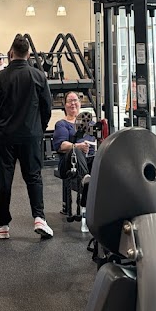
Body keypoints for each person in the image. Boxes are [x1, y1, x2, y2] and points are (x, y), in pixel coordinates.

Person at [0, 35, 54, 240]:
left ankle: (4, 225)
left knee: (4, 179)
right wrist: (39, 129)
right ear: (28, 54)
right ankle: (39, 218)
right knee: (34, 176)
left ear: (11, 53)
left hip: (6, 137)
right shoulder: (39, 76)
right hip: (31, 135)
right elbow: (47, 108)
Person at [53, 91, 96, 223]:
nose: (73, 103)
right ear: (65, 105)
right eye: (70, 101)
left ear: (80, 103)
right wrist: (78, 146)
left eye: (75, 100)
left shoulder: (90, 123)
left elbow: (97, 140)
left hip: (89, 159)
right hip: (68, 162)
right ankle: (85, 179)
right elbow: (61, 145)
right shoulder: (62, 124)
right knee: (75, 150)